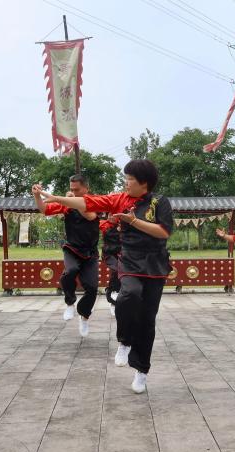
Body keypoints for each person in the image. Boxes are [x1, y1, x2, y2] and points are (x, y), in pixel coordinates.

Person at [39, 159, 172, 394]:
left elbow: (163, 232)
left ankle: (141, 371)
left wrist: (133, 221)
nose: (126, 182)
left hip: (155, 263)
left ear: (144, 183)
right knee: (127, 296)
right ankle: (124, 340)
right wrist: (58, 198)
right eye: (126, 178)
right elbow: (88, 201)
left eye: (130, 179)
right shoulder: (119, 198)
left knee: (147, 320)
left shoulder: (160, 202)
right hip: (130, 260)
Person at [32, 175, 99, 338]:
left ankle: (84, 316)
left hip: (90, 252)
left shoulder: (96, 201)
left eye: (77, 190)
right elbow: (44, 210)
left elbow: (90, 216)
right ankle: (70, 302)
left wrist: (72, 202)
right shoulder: (66, 204)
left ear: (86, 188)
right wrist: (36, 195)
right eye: (72, 189)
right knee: (71, 271)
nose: (73, 192)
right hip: (72, 248)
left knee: (92, 288)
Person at [100, 216, 121, 318]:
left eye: (114, 215)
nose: (111, 217)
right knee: (117, 269)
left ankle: (115, 301)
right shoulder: (103, 224)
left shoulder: (123, 224)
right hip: (108, 254)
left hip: (121, 254)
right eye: (110, 214)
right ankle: (111, 293)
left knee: (123, 276)